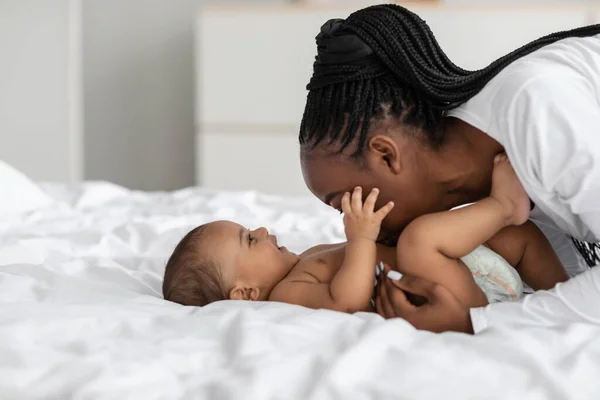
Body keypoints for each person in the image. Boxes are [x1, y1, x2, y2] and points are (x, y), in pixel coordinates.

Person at [297, 4, 600, 332]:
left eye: (343, 201)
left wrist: (476, 321)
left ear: (386, 155)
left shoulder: (540, 115)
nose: (351, 220)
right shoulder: (503, 184)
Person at [163, 155, 568, 315]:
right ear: (245, 293)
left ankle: (571, 292)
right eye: (250, 239)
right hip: (452, 293)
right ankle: (502, 204)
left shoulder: (309, 256)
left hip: (465, 267)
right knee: (419, 241)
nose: (263, 230)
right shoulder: (289, 293)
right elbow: (349, 297)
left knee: (518, 237)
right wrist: (360, 240)